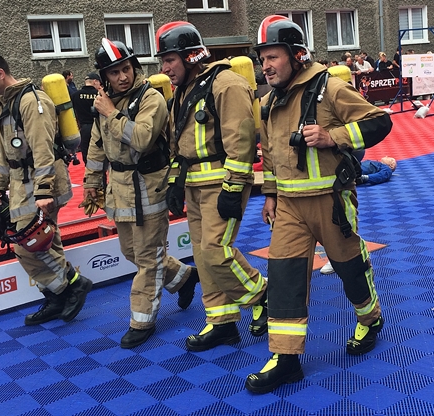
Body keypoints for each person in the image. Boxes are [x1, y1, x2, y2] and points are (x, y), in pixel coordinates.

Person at [248, 15, 393, 394]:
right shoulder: (267, 102)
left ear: (296, 55)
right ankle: (286, 358)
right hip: (290, 208)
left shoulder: (329, 87)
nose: (265, 65)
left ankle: (370, 317)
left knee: (349, 270)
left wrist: (334, 136)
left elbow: (379, 121)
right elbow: (271, 155)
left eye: (273, 56)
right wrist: (270, 195)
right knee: (284, 279)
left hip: (331, 200)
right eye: (262, 58)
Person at [156, 21, 268, 352]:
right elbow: (179, 144)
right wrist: (175, 183)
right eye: (162, 61)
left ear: (191, 57)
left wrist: (233, 188)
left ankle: (263, 294)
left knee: (217, 253)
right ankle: (222, 322)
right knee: (203, 259)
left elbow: (242, 140)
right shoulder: (184, 92)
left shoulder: (227, 84)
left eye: (170, 60)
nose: (164, 68)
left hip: (222, 183)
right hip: (194, 185)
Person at [82, 39, 200, 348]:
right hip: (118, 188)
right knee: (131, 252)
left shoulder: (151, 99)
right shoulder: (104, 103)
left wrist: (111, 114)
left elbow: (144, 139)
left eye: (126, 69)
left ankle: (142, 320)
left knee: (148, 258)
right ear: (104, 77)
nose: (122, 77)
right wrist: (92, 183)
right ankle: (185, 277)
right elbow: (96, 146)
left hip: (148, 185)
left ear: (135, 68)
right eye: (114, 72)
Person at [0, 51, 92, 326]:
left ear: (0, 73)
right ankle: (55, 298)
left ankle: (72, 284)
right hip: (21, 185)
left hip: (40, 185)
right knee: (48, 241)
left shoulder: (31, 102)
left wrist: (44, 192)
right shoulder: (7, 105)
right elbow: (5, 152)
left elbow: (43, 150)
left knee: (28, 244)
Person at [320, 157, 397, 275]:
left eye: (390, 159)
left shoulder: (385, 168)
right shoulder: (374, 162)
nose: (386, 156)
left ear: (391, 165)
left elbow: (383, 175)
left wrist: (365, 178)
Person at [71, 73, 100, 164]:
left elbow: (72, 113)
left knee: (86, 153)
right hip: (98, 128)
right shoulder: (99, 95)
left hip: (84, 129)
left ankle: (88, 172)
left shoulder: (75, 95)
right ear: (95, 81)